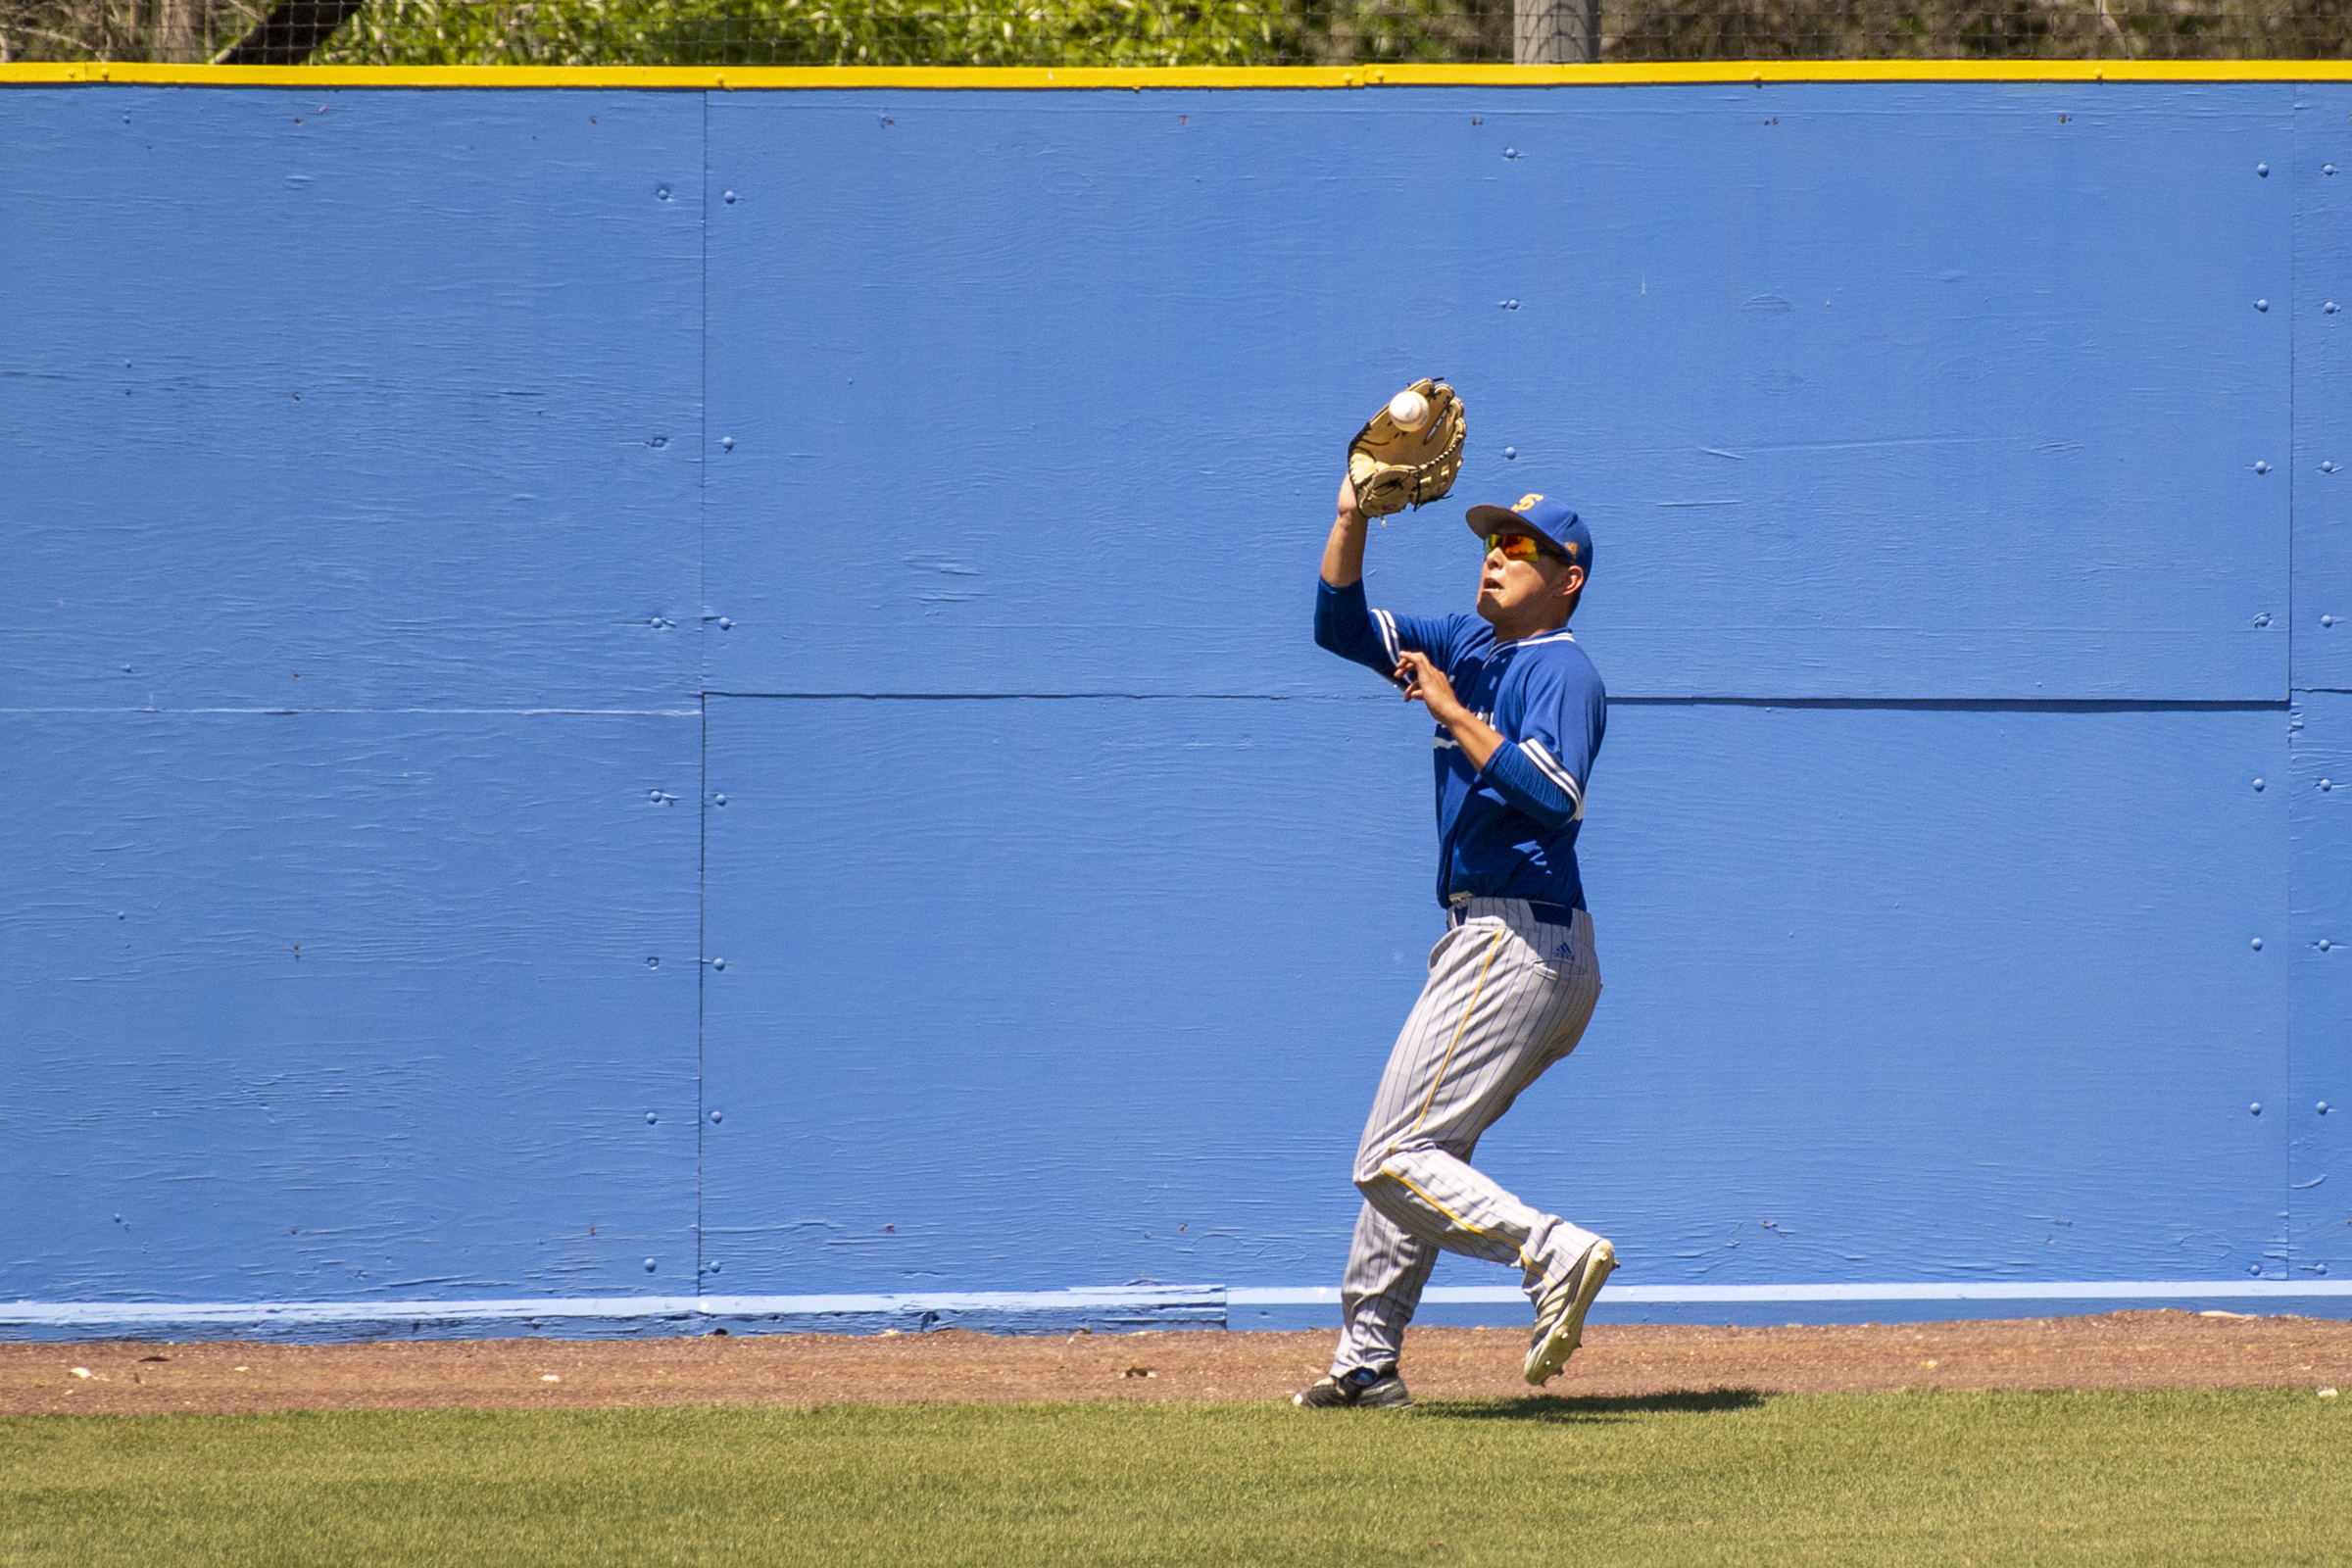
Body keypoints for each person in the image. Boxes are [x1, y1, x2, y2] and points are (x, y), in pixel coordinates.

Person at [1294, 472, 1615, 1411]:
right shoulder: (1468, 645)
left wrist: (1451, 712)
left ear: (1568, 579)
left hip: (1517, 940)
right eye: (1490, 541)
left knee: (1390, 1154)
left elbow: (1554, 798)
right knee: (1423, 1150)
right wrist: (1351, 516)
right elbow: (1341, 627)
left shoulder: (1561, 669)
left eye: (1520, 547)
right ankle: (1366, 1362)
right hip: (1509, 943)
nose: (1495, 556)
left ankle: (1549, 1253)